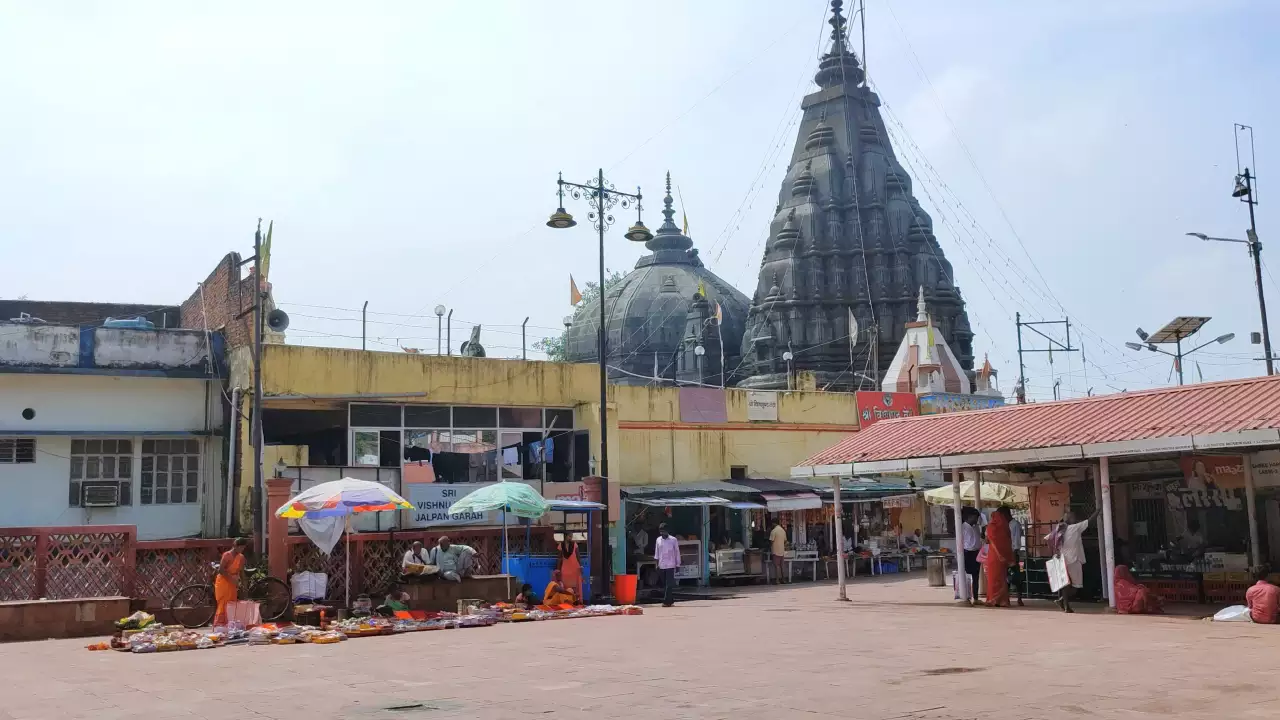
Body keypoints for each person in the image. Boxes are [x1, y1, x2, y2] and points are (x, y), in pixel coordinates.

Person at [1048, 508, 1098, 613]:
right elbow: (1090, 521)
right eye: (1074, 517)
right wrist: (1098, 510)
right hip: (1074, 559)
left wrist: (1056, 552)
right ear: (1069, 519)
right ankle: (1063, 602)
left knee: (1066, 584)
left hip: (1062, 559)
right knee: (1076, 586)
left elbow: (1048, 539)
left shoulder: (1058, 529)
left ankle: (1065, 604)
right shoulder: (1074, 528)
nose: (1076, 519)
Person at [213, 537, 249, 626]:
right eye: (241, 547)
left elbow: (241, 572)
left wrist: (244, 584)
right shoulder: (227, 555)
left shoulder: (241, 557)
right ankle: (219, 624)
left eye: (243, 548)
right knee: (223, 603)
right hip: (223, 581)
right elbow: (221, 570)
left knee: (231, 603)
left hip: (233, 582)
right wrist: (231, 579)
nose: (242, 549)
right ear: (235, 546)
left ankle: (229, 625)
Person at [983, 507, 1014, 607]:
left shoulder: (991, 527)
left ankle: (993, 599)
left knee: (993, 578)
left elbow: (988, 540)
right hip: (1003, 557)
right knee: (1002, 578)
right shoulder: (1005, 527)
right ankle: (1003, 601)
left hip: (993, 556)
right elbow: (1008, 542)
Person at [1001, 507, 1025, 607]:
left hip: (1017, 554)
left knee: (1019, 575)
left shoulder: (1015, 524)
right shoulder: (1005, 525)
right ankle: (1008, 598)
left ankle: (1019, 598)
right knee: (1008, 576)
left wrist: (1014, 554)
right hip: (1009, 554)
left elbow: (1016, 541)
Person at [655, 523, 681, 607]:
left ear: (667, 531)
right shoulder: (658, 540)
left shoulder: (673, 540)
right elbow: (657, 553)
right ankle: (671, 600)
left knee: (669, 583)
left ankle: (666, 602)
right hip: (662, 565)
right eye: (661, 532)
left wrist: (678, 564)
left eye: (664, 531)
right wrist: (656, 564)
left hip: (671, 564)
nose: (662, 533)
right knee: (665, 584)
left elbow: (677, 552)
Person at [960, 508, 982, 605]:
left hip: (976, 553)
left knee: (976, 576)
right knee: (967, 577)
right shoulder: (962, 527)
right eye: (975, 517)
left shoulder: (976, 527)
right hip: (967, 553)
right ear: (969, 517)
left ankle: (976, 598)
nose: (977, 519)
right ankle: (967, 597)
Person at [769, 518, 789, 585]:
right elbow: (785, 541)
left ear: (774, 523)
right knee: (782, 566)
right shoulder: (783, 531)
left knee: (776, 566)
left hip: (775, 551)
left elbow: (771, 541)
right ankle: (784, 580)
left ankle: (777, 580)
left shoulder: (773, 531)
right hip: (782, 551)